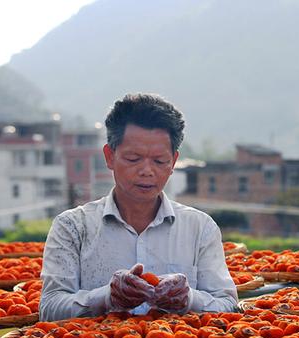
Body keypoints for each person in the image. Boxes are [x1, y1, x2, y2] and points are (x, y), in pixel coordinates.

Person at [39, 93, 238, 321]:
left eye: (159, 161)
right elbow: (49, 308)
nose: (146, 171)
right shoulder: (72, 227)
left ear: (173, 162)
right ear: (109, 156)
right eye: (133, 159)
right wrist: (107, 297)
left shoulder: (200, 228)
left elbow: (229, 305)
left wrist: (189, 299)